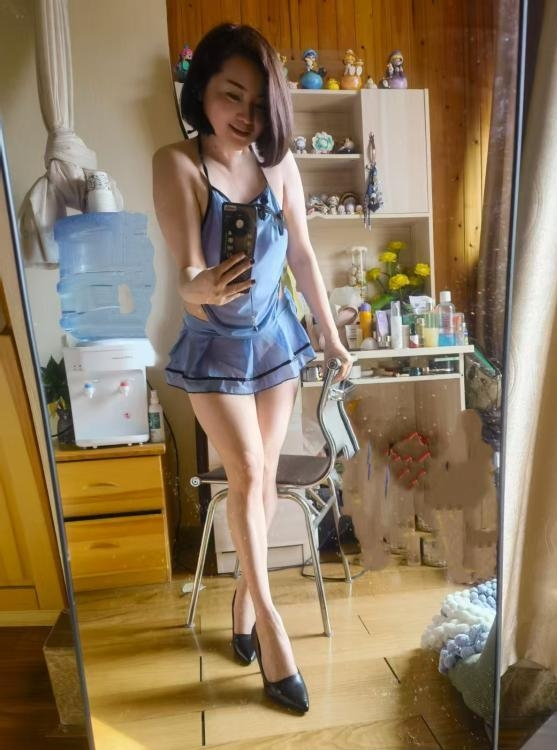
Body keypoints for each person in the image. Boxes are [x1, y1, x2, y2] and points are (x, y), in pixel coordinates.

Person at [152, 23, 352, 714]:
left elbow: (302, 256)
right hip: (214, 345)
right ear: (201, 91)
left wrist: (331, 335)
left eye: (260, 104)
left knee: (263, 478)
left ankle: (243, 598)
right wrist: (200, 286)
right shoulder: (178, 163)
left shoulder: (280, 164)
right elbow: (186, 271)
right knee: (246, 468)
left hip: (274, 342)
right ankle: (271, 626)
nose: (245, 115)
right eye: (231, 95)